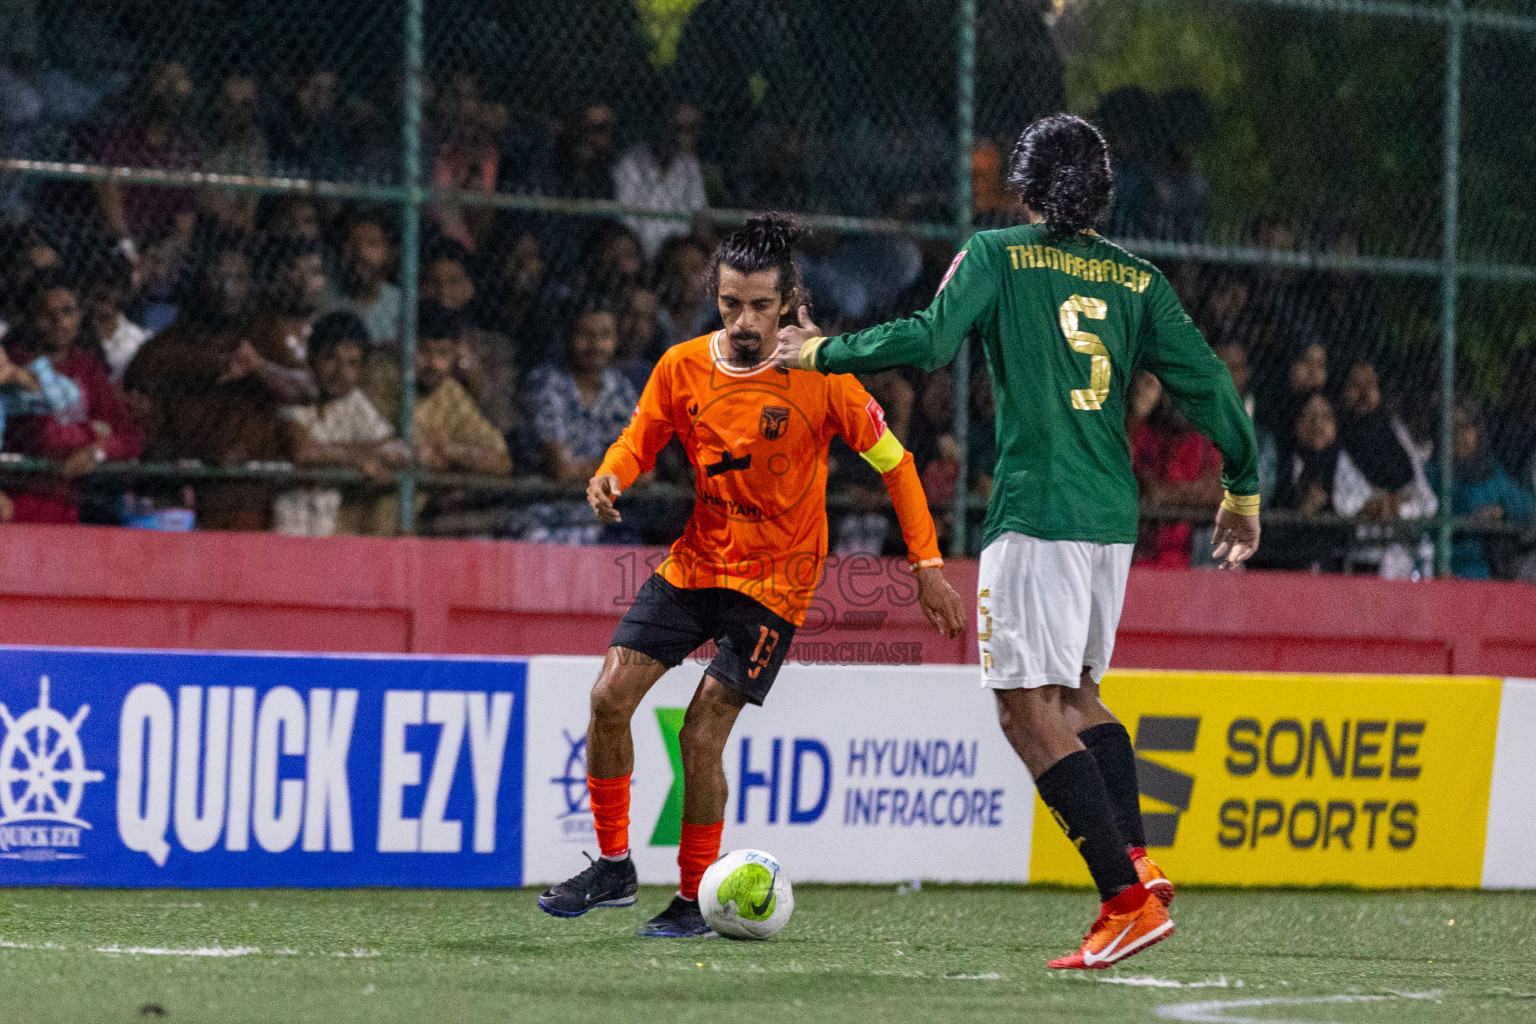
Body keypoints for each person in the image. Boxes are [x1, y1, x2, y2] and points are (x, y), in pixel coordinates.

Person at [774, 115, 1261, 969]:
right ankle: (1138, 865)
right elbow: (1211, 382)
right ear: (1105, 191)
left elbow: (927, 339)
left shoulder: (999, 254)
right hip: (1111, 517)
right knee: (1075, 695)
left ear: (1027, 188)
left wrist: (823, 351)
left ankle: (1122, 900)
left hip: (1037, 511)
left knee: (1023, 708)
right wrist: (1243, 487)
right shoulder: (1139, 280)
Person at [537, 214, 965, 936]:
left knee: (701, 735)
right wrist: (611, 476)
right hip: (696, 564)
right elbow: (640, 437)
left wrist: (926, 566)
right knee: (609, 697)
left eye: (760, 307)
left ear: (789, 300)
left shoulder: (823, 376)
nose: (743, 321)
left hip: (774, 587)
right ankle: (613, 868)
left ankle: (691, 899)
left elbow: (896, 462)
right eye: (731, 304)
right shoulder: (681, 366)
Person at [3, 273, 145, 523]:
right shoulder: (11, 367)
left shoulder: (87, 369)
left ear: (79, 317)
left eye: (67, 312)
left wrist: (99, 451)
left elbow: (130, 436)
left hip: (67, 505)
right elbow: (44, 437)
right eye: (46, 314)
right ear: (31, 318)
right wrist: (91, 431)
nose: (59, 322)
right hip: (14, 500)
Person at [273, 311, 408, 537]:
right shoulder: (293, 393)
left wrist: (358, 457)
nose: (341, 372)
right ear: (311, 357)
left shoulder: (355, 403)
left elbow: (396, 451)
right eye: (330, 358)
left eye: (352, 363)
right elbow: (304, 452)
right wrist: (361, 459)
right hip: (285, 529)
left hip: (333, 534)